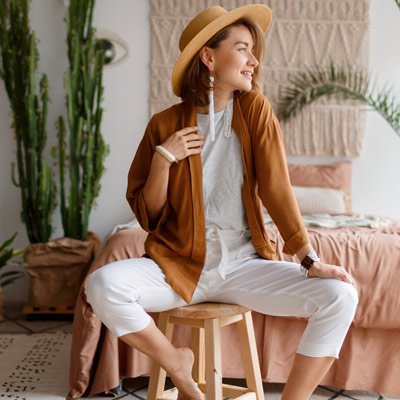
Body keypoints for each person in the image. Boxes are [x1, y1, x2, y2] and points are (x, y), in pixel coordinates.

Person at [85, 5, 358, 400]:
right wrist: (164, 157)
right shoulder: (164, 124)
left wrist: (308, 260)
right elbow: (150, 216)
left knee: (341, 295)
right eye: (243, 49)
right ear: (209, 57)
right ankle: (175, 361)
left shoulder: (254, 111)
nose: (254, 61)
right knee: (101, 283)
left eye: (252, 51)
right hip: (178, 265)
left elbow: (277, 189)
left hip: (244, 265)